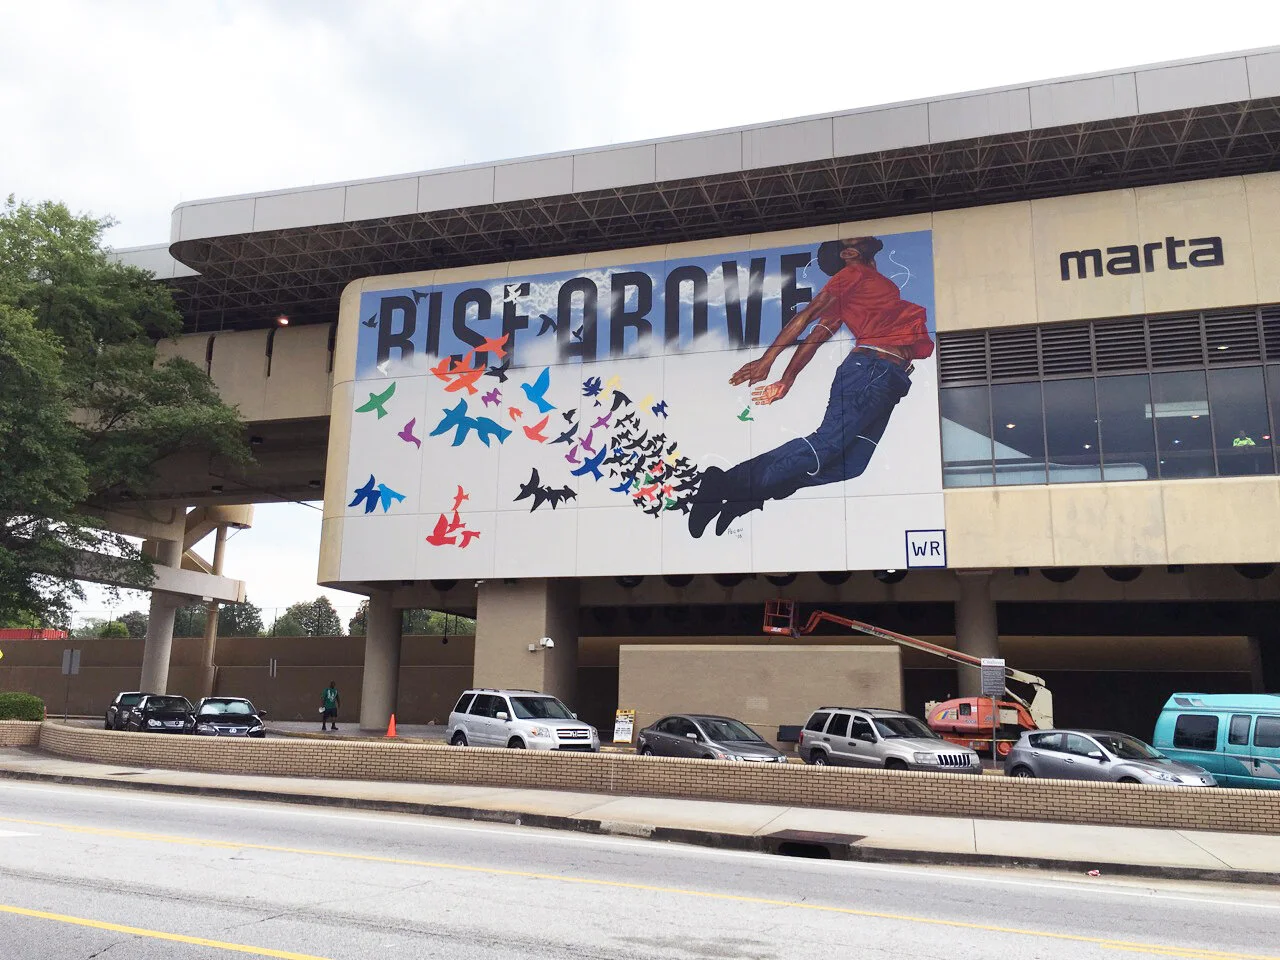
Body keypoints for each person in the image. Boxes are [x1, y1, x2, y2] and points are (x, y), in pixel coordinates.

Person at [690, 236, 933, 537]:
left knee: (852, 464)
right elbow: (806, 317)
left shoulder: (860, 289)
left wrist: (787, 379)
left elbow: (816, 338)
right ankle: (725, 484)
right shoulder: (852, 274)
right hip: (871, 370)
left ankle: (751, 493)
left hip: (890, 379)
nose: (858, 240)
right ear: (848, 254)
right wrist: (769, 361)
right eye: (850, 241)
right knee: (826, 445)